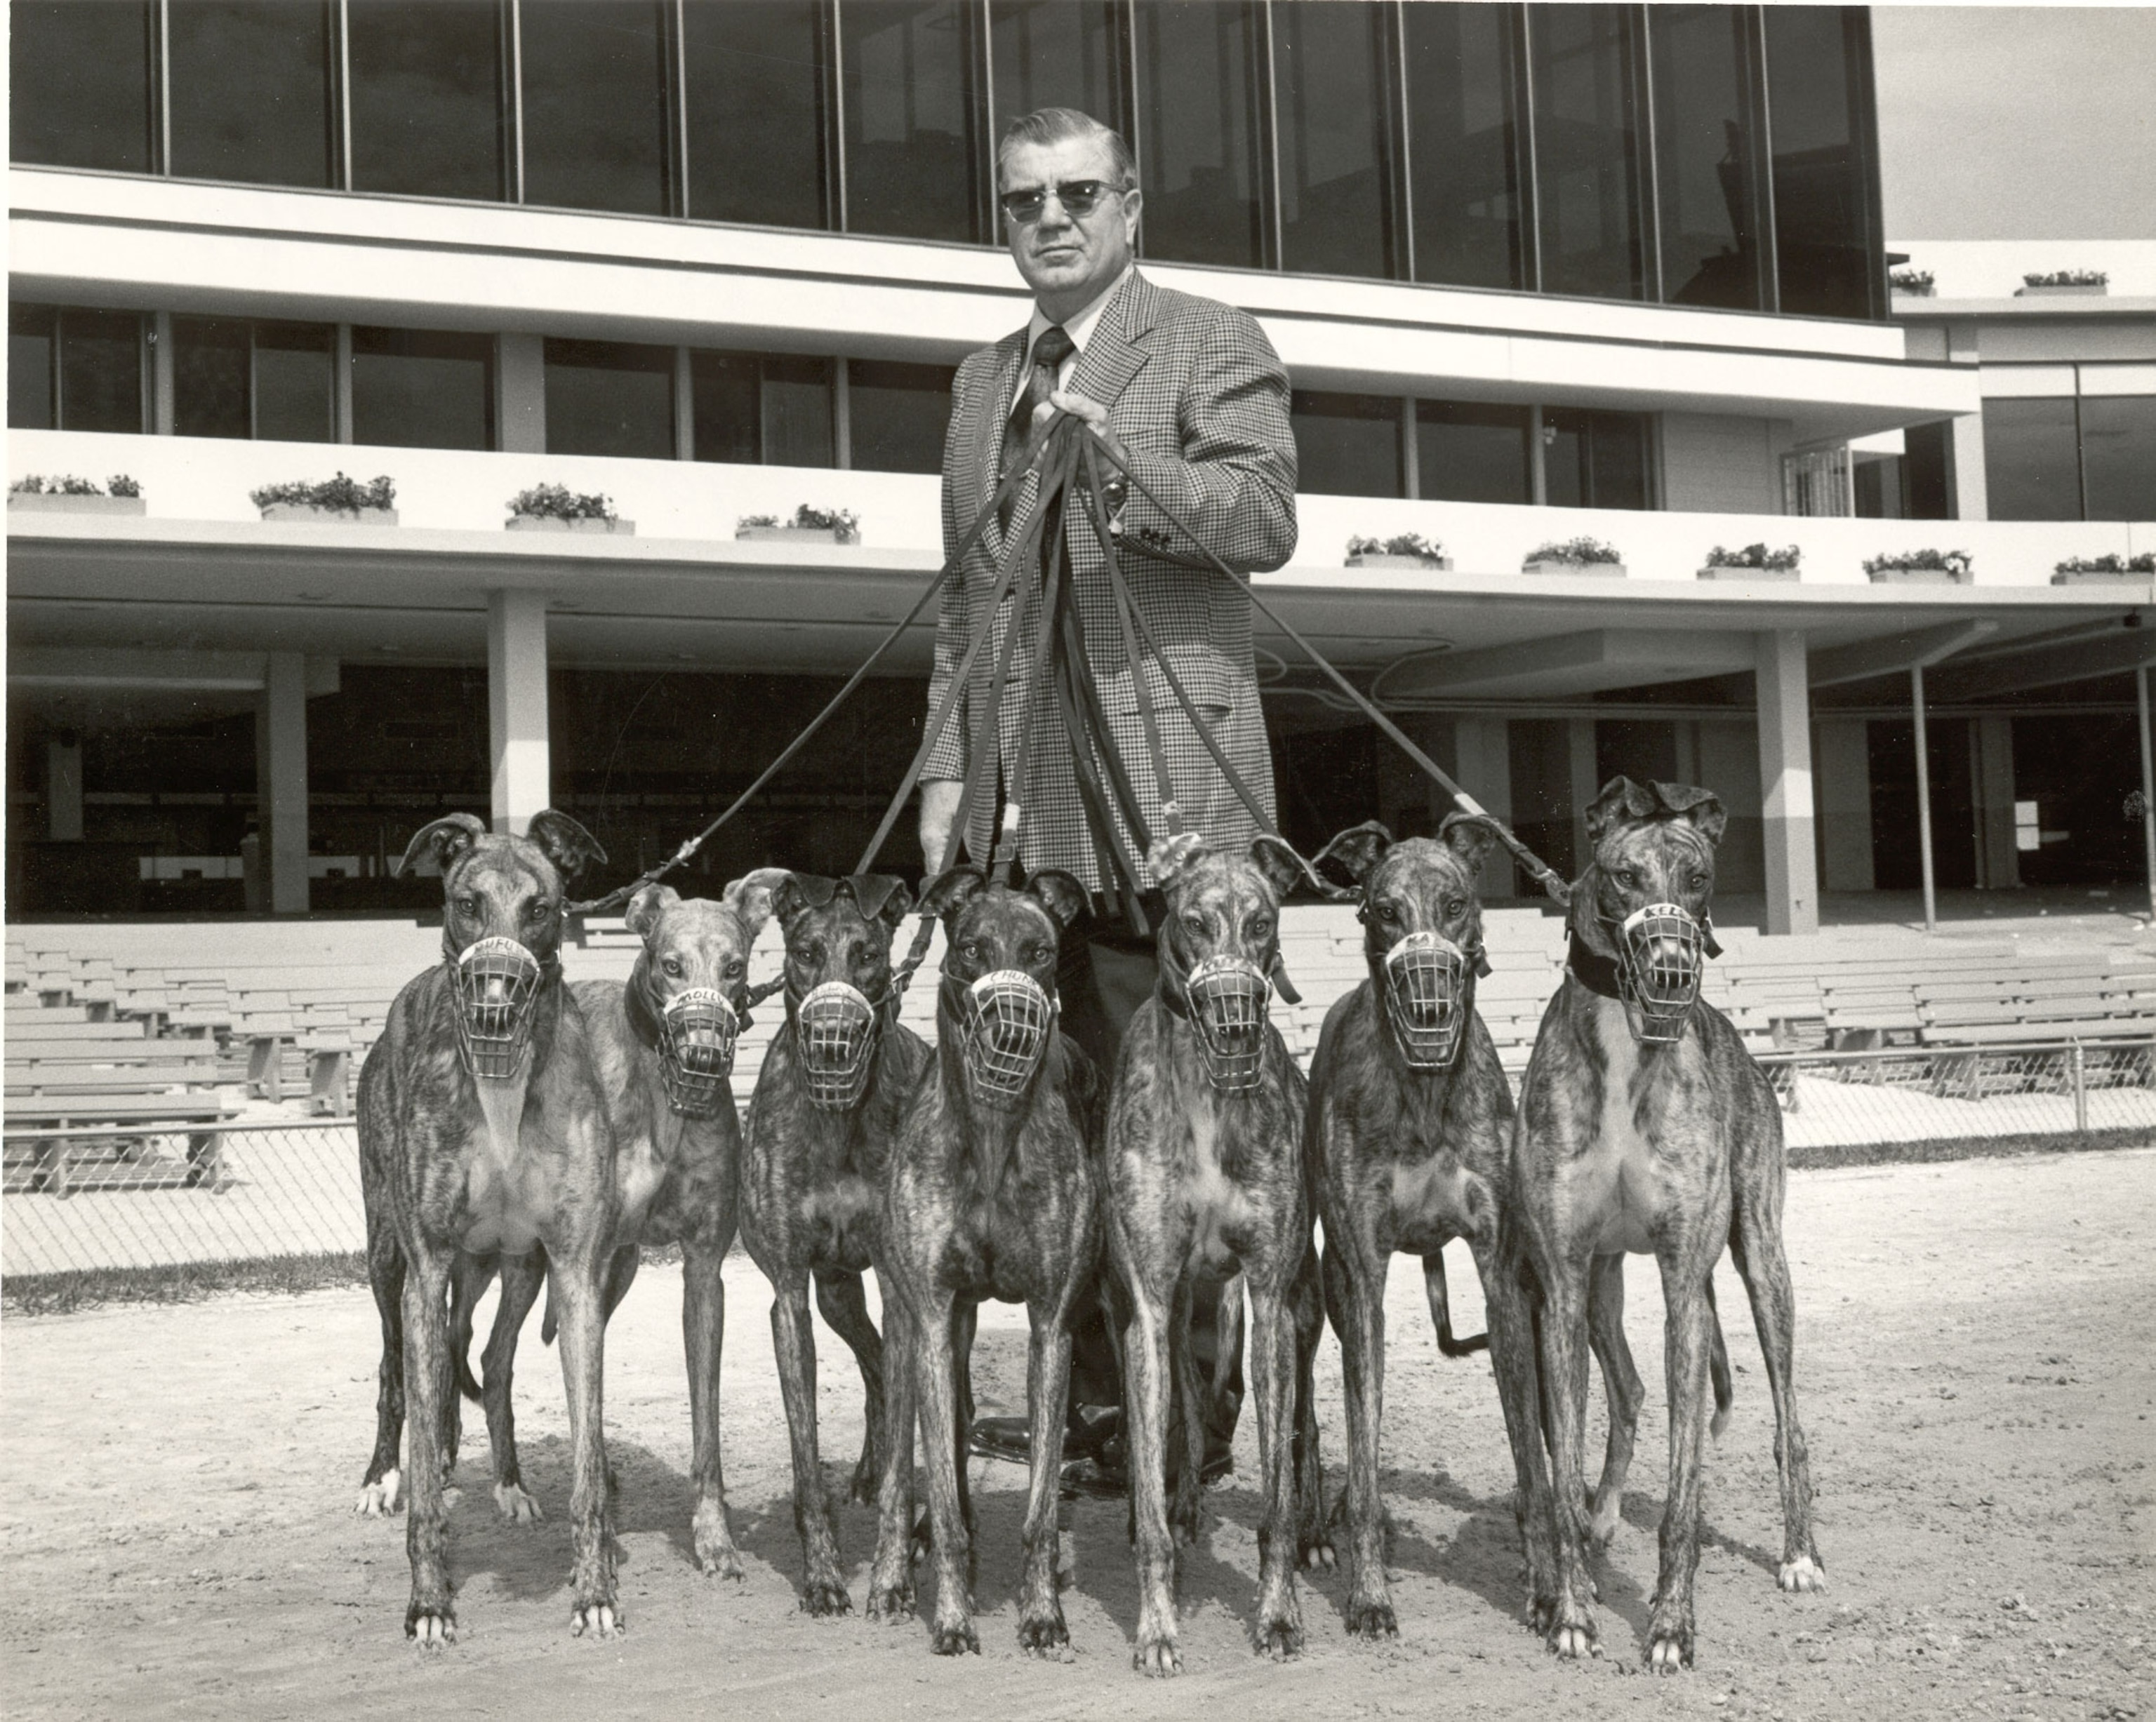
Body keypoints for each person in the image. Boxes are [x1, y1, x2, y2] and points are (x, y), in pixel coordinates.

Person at [917, 105, 1298, 1485]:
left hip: (1173, 809)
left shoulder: (1208, 339)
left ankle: (1191, 1427)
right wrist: (949, 771)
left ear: (1132, 207)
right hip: (1024, 827)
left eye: (1081, 194)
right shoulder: (978, 384)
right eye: (1025, 201)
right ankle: (1095, 1416)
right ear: (1002, 220)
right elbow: (970, 597)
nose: (1053, 219)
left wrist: (1124, 465)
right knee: (1050, 1123)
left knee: (1184, 1127)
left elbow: (1264, 523)